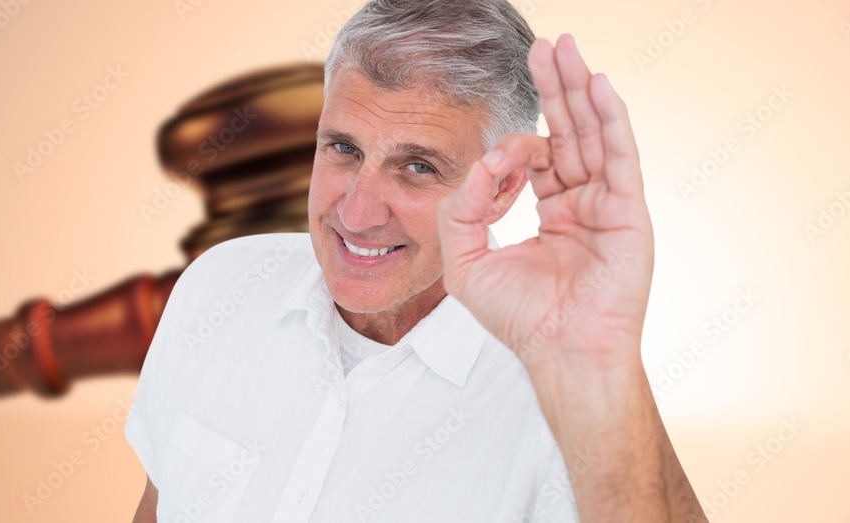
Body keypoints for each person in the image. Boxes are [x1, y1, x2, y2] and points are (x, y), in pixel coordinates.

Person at [125, 0, 705, 521]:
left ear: (502, 190)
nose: (356, 212)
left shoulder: (563, 397)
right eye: (344, 149)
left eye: (418, 166)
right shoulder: (217, 288)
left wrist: (600, 372)